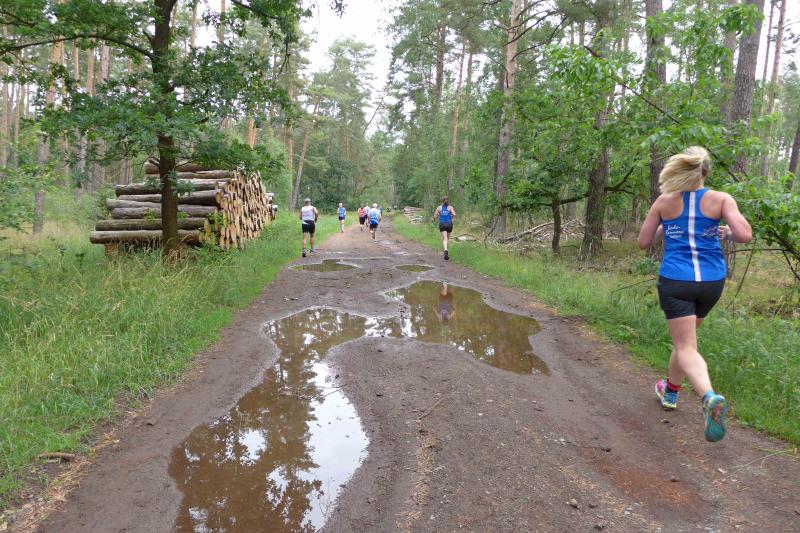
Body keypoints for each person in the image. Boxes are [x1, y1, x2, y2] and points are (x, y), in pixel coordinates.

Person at [638, 146, 752, 443]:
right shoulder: (721, 199)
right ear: (705, 172)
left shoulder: (664, 202)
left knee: (686, 346)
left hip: (677, 281)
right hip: (711, 282)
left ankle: (709, 397)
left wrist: (665, 226)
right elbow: (744, 235)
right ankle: (671, 392)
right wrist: (727, 233)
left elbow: (644, 242)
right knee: (685, 342)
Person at [433, 196, 456, 260]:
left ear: (442, 201)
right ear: (448, 201)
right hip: (449, 224)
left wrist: (438, 216)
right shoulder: (450, 207)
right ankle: (446, 253)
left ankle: (445, 250)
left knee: (444, 239)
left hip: (442, 224)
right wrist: (452, 218)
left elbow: (435, 216)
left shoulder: (439, 208)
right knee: (447, 238)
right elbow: (454, 214)